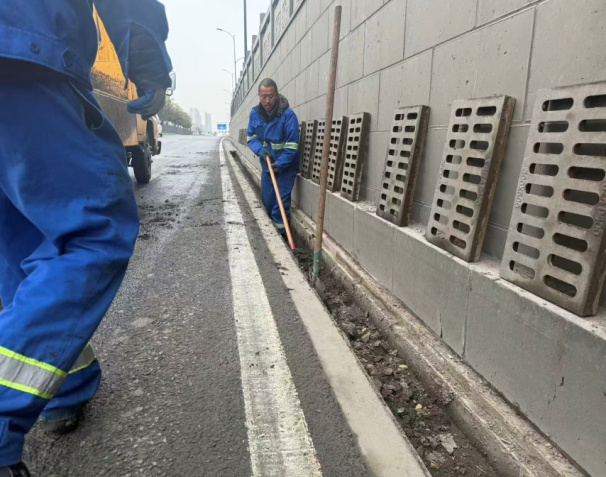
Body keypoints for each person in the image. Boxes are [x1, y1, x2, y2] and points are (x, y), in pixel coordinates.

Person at [0, 1, 172, 474]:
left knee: (21, 240)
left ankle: (65, 385)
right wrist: (144, 52)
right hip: (20, 50)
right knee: (95, 230)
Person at [247, 79, 300, 236]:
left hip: (286, 166)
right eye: (264, 96)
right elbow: (251, 138)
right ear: (259, 96)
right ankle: (274, 232)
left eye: (270, 96)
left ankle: (283, 236)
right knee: (268, 202)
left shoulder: (288, 115)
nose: (267, 101)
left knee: (280, 204)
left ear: (277, 94)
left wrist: (280, 164)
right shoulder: (255, 114)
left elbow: (292, 146)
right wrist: (261, 152)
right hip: (268, 164)